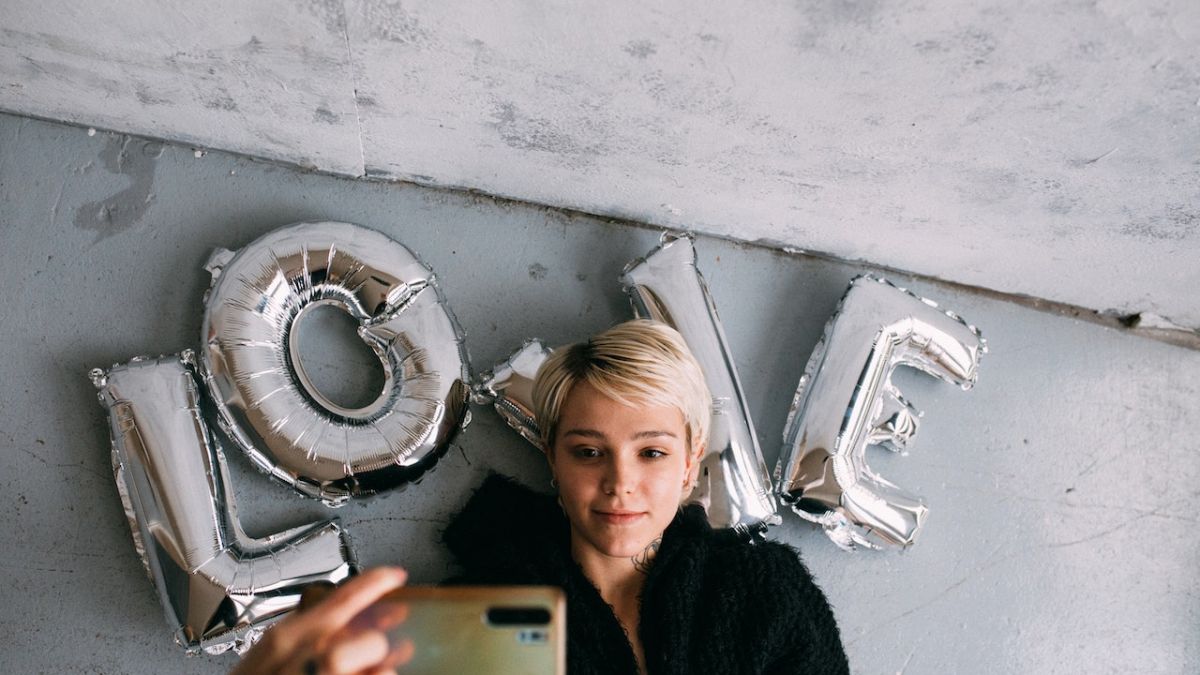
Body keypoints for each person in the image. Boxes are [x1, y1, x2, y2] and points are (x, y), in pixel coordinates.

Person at [232, 319, 848, 674]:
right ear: (553, 459)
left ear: (690, 466)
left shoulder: (765, 593)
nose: (619, 482)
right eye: (588, 451)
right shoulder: (470, 617)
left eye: (652, 452)